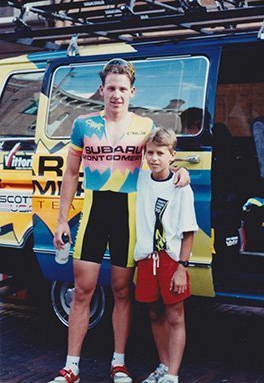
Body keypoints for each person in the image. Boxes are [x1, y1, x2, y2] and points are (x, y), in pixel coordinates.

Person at [50, 59, 190, 383]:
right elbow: (71, 174)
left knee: (122, 290)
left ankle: (119, 363)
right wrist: (61, 221)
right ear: (101, 90)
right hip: (94, 211)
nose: (116, 95)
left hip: (128, 214)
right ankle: (71, 366)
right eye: (111, 88)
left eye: (122, 89)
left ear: (132, 92)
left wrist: (181, 169)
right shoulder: (83, 125)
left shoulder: (144, 125)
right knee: (82, 290)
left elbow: (161, 157)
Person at [134, 128, 198, 383]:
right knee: (154, 314)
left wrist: (182, 266)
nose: (154, 158)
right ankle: (163, 364)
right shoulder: (140, 180)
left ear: (172, 155)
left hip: (171, 259)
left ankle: (173, 374)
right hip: (147, 258)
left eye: (160, 153)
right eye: (150, 152)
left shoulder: (181, 187)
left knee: (175, 316)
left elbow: (188, 231)